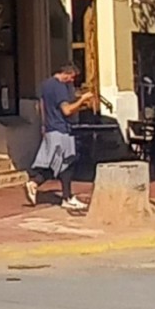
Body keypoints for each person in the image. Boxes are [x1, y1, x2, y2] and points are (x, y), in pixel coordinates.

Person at [25, 63, 95, 211]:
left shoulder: (45, 85)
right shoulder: (59, 88)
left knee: (61, 164)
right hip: (61, 129)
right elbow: (67, 110)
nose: (72, 81)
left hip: (50, 128)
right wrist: (82, 100)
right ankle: (38, 184)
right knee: (65, 163)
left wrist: (44, 126)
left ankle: (66, 196)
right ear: (66, 74)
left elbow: (41, 107)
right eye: (71, 78)